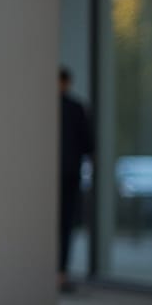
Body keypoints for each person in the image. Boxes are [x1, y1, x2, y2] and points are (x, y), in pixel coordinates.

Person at [59, 67, 93, 292]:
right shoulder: (74, 108)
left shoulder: (72, 108)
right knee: (64, 224)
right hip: (69, 173)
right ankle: (59, 274)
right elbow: (88, 144)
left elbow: (87, 143)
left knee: (62, 224)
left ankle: (59, 273)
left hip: (64, 175)